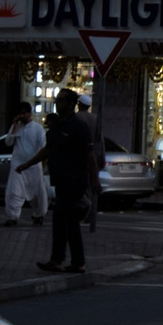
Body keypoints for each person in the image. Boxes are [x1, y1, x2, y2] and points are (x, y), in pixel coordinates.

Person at [38, 89, 95, 273]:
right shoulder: (56, 125)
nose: (57, 102)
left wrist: (95, 180)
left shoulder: (78, 125)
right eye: (57, 99)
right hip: (61, 179)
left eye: (61, 100)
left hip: (75, 179)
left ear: (71, 104)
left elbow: (90, 154)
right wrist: (27, 164)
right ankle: (78, 262)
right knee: (70, 221)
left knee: (60, 215)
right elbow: (48, 149)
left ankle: (57, 259)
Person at [1, 105, 49, 225]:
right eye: (20, 114)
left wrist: (42, 166)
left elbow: (43, 148)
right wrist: (14, 128)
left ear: (29, 114)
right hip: (18, 165)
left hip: (34, 165)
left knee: (37, 193)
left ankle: (38, 215)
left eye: (24, 113)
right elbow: (8, 142)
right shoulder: (16, 127)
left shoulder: (38, 129)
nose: (21, 116)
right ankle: (13, 217)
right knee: (14, 191)